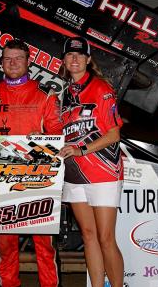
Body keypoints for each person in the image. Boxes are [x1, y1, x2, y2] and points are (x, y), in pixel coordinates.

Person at [0, 39, 62, 287]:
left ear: (28, 62)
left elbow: (57, 133)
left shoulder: (45, 95)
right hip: (1, 178)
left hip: (38, 179)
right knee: (6, 246)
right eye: (8, 59)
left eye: (18, 58)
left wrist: (42, 141)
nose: (13, 63)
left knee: (44, 246)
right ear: (1, 62)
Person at [58, 37, 124, 287]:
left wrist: (81, 149)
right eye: (69, 55)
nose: (74, 59)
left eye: (79, 55)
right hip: (75, 174)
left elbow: (113, 135)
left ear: (88, 59)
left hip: (104, 172)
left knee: (106, 238)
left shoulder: (101, 89)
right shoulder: (64, 94)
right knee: (88, 236)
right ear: (64, 61)